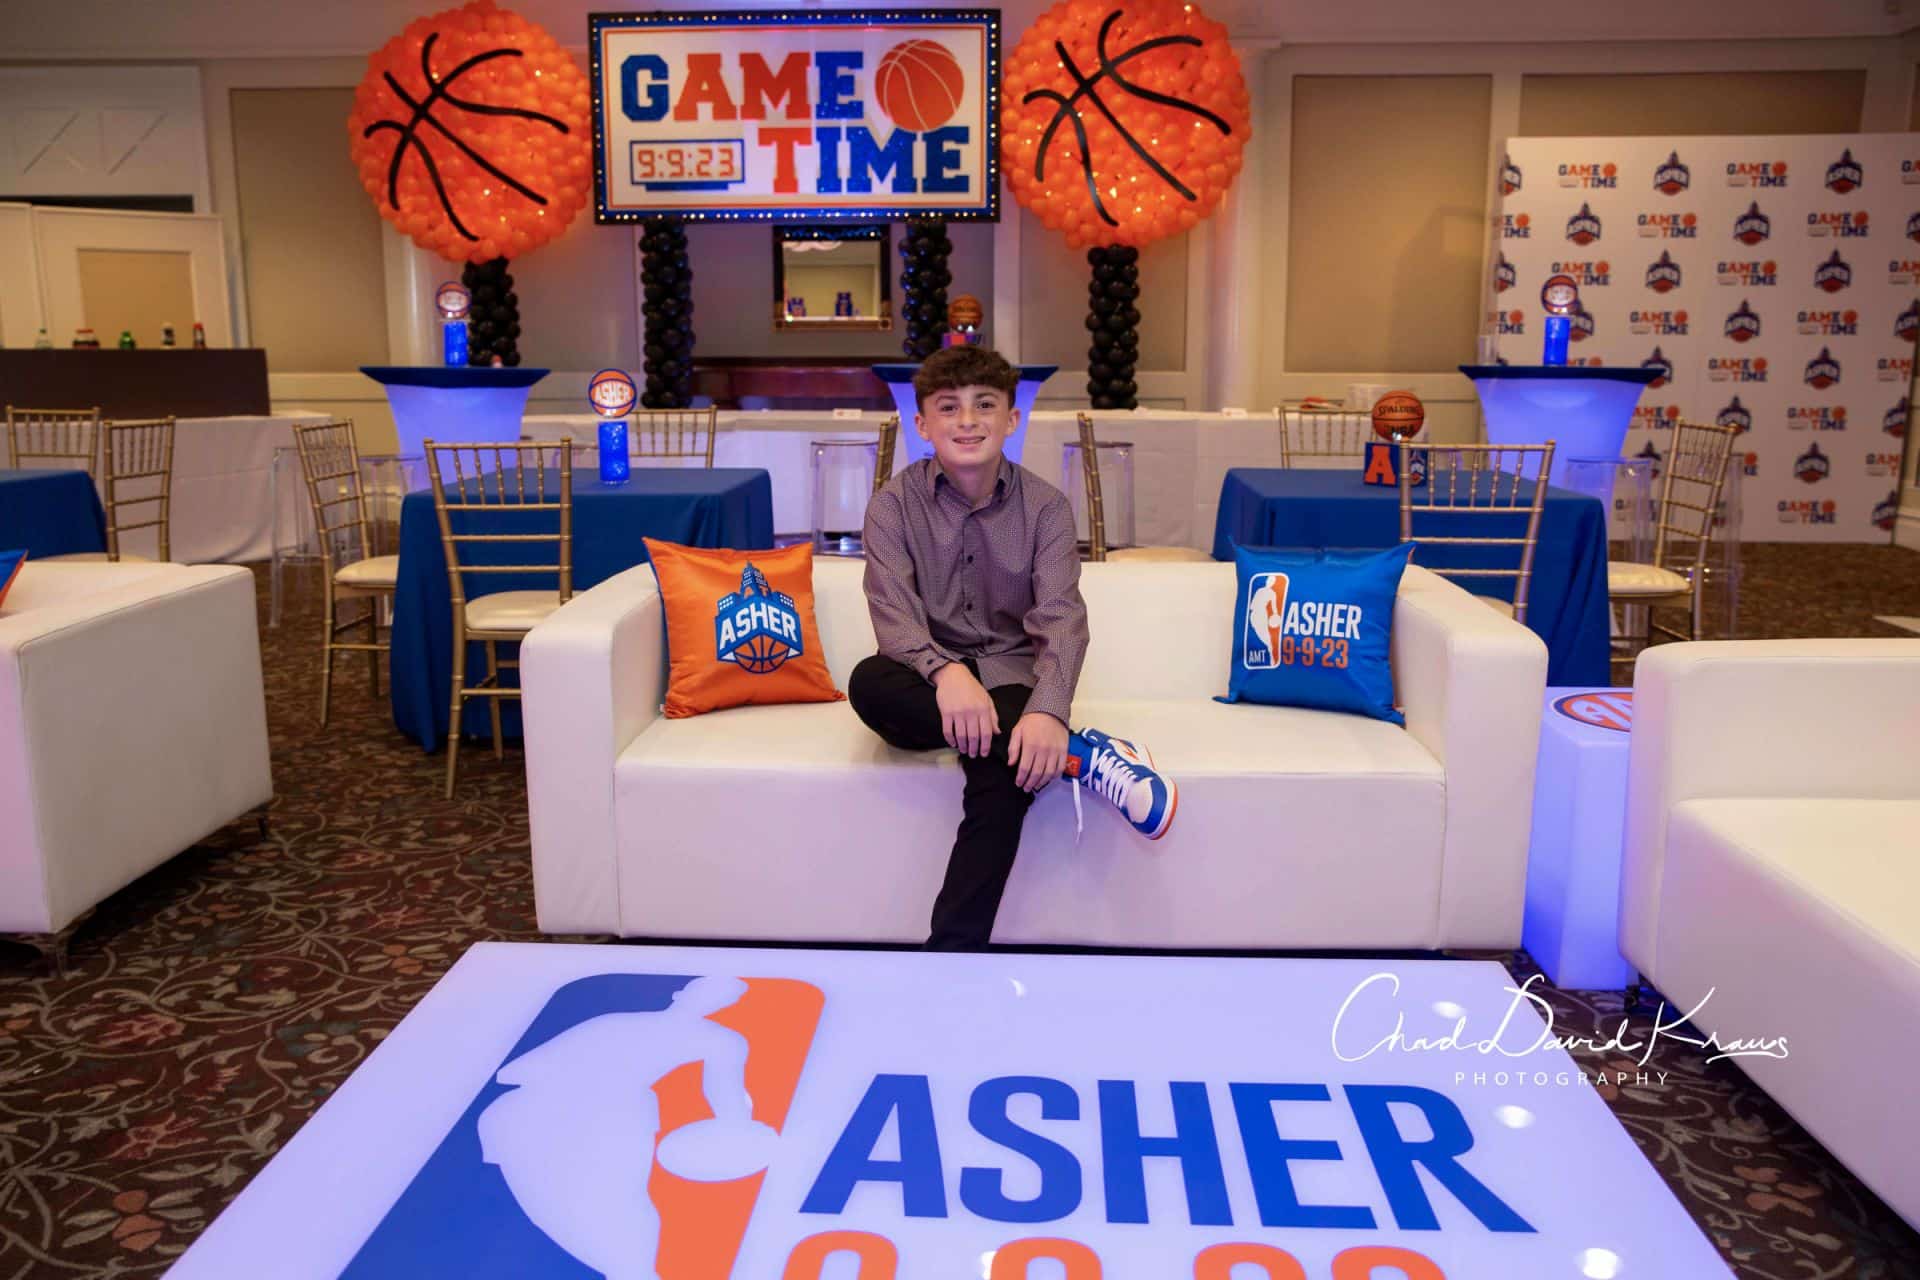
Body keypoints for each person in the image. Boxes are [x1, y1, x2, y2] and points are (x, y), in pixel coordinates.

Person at [850, 344, 1177, 952]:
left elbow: (1062, 621)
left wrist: (1047, 709)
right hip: (928, 684)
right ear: (922, 424)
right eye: (949, 408)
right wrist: (947, 674)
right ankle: (1081, 755)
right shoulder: (893, 506)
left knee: (1003, 775)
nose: (967, 421)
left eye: (985, 406)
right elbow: (892, 617)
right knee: (869, 684)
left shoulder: (1046, 508)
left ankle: (950, 957)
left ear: (1011, 419)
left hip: (1009, 676)